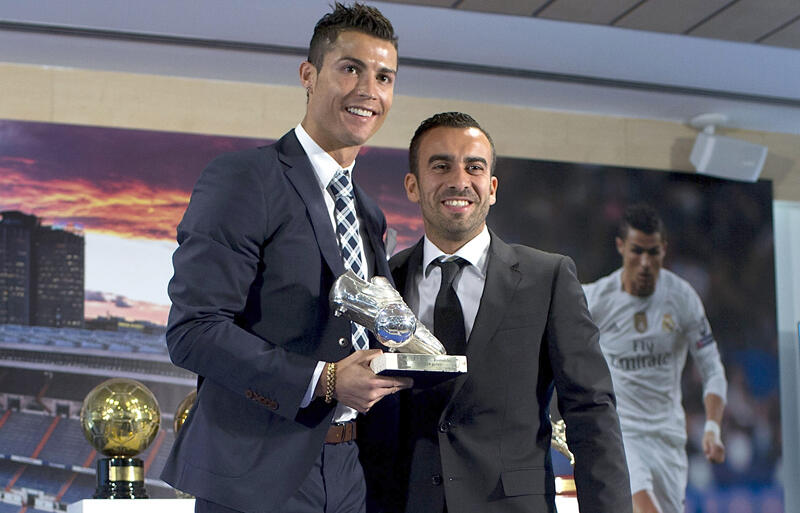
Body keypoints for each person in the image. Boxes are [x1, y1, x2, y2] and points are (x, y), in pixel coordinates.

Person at [160, 4, 412, 513]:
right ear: (308, 75)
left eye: (384, 77)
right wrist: (324, 381)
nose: (369, 90)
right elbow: (194, 331)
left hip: (351, 472)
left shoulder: (368, 213)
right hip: (258, 474)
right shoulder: (246, 178)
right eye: (351, 69)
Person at [387, 112, 632, 513]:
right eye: (441, 166)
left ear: (492, 187)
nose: (459, 180)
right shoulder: (385, 282)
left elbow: (591, 411)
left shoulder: (548, 277)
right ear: (412, 185)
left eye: (474, 167)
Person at [582, 203, 727, 513]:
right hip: (623, 433)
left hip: (668, 438)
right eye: (637, 251)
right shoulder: (597, 299)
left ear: (664, 250)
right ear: (621, 247)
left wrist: (713, 427)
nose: (645, 262)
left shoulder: (682, 298)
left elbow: (712, 367)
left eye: (653, 253)